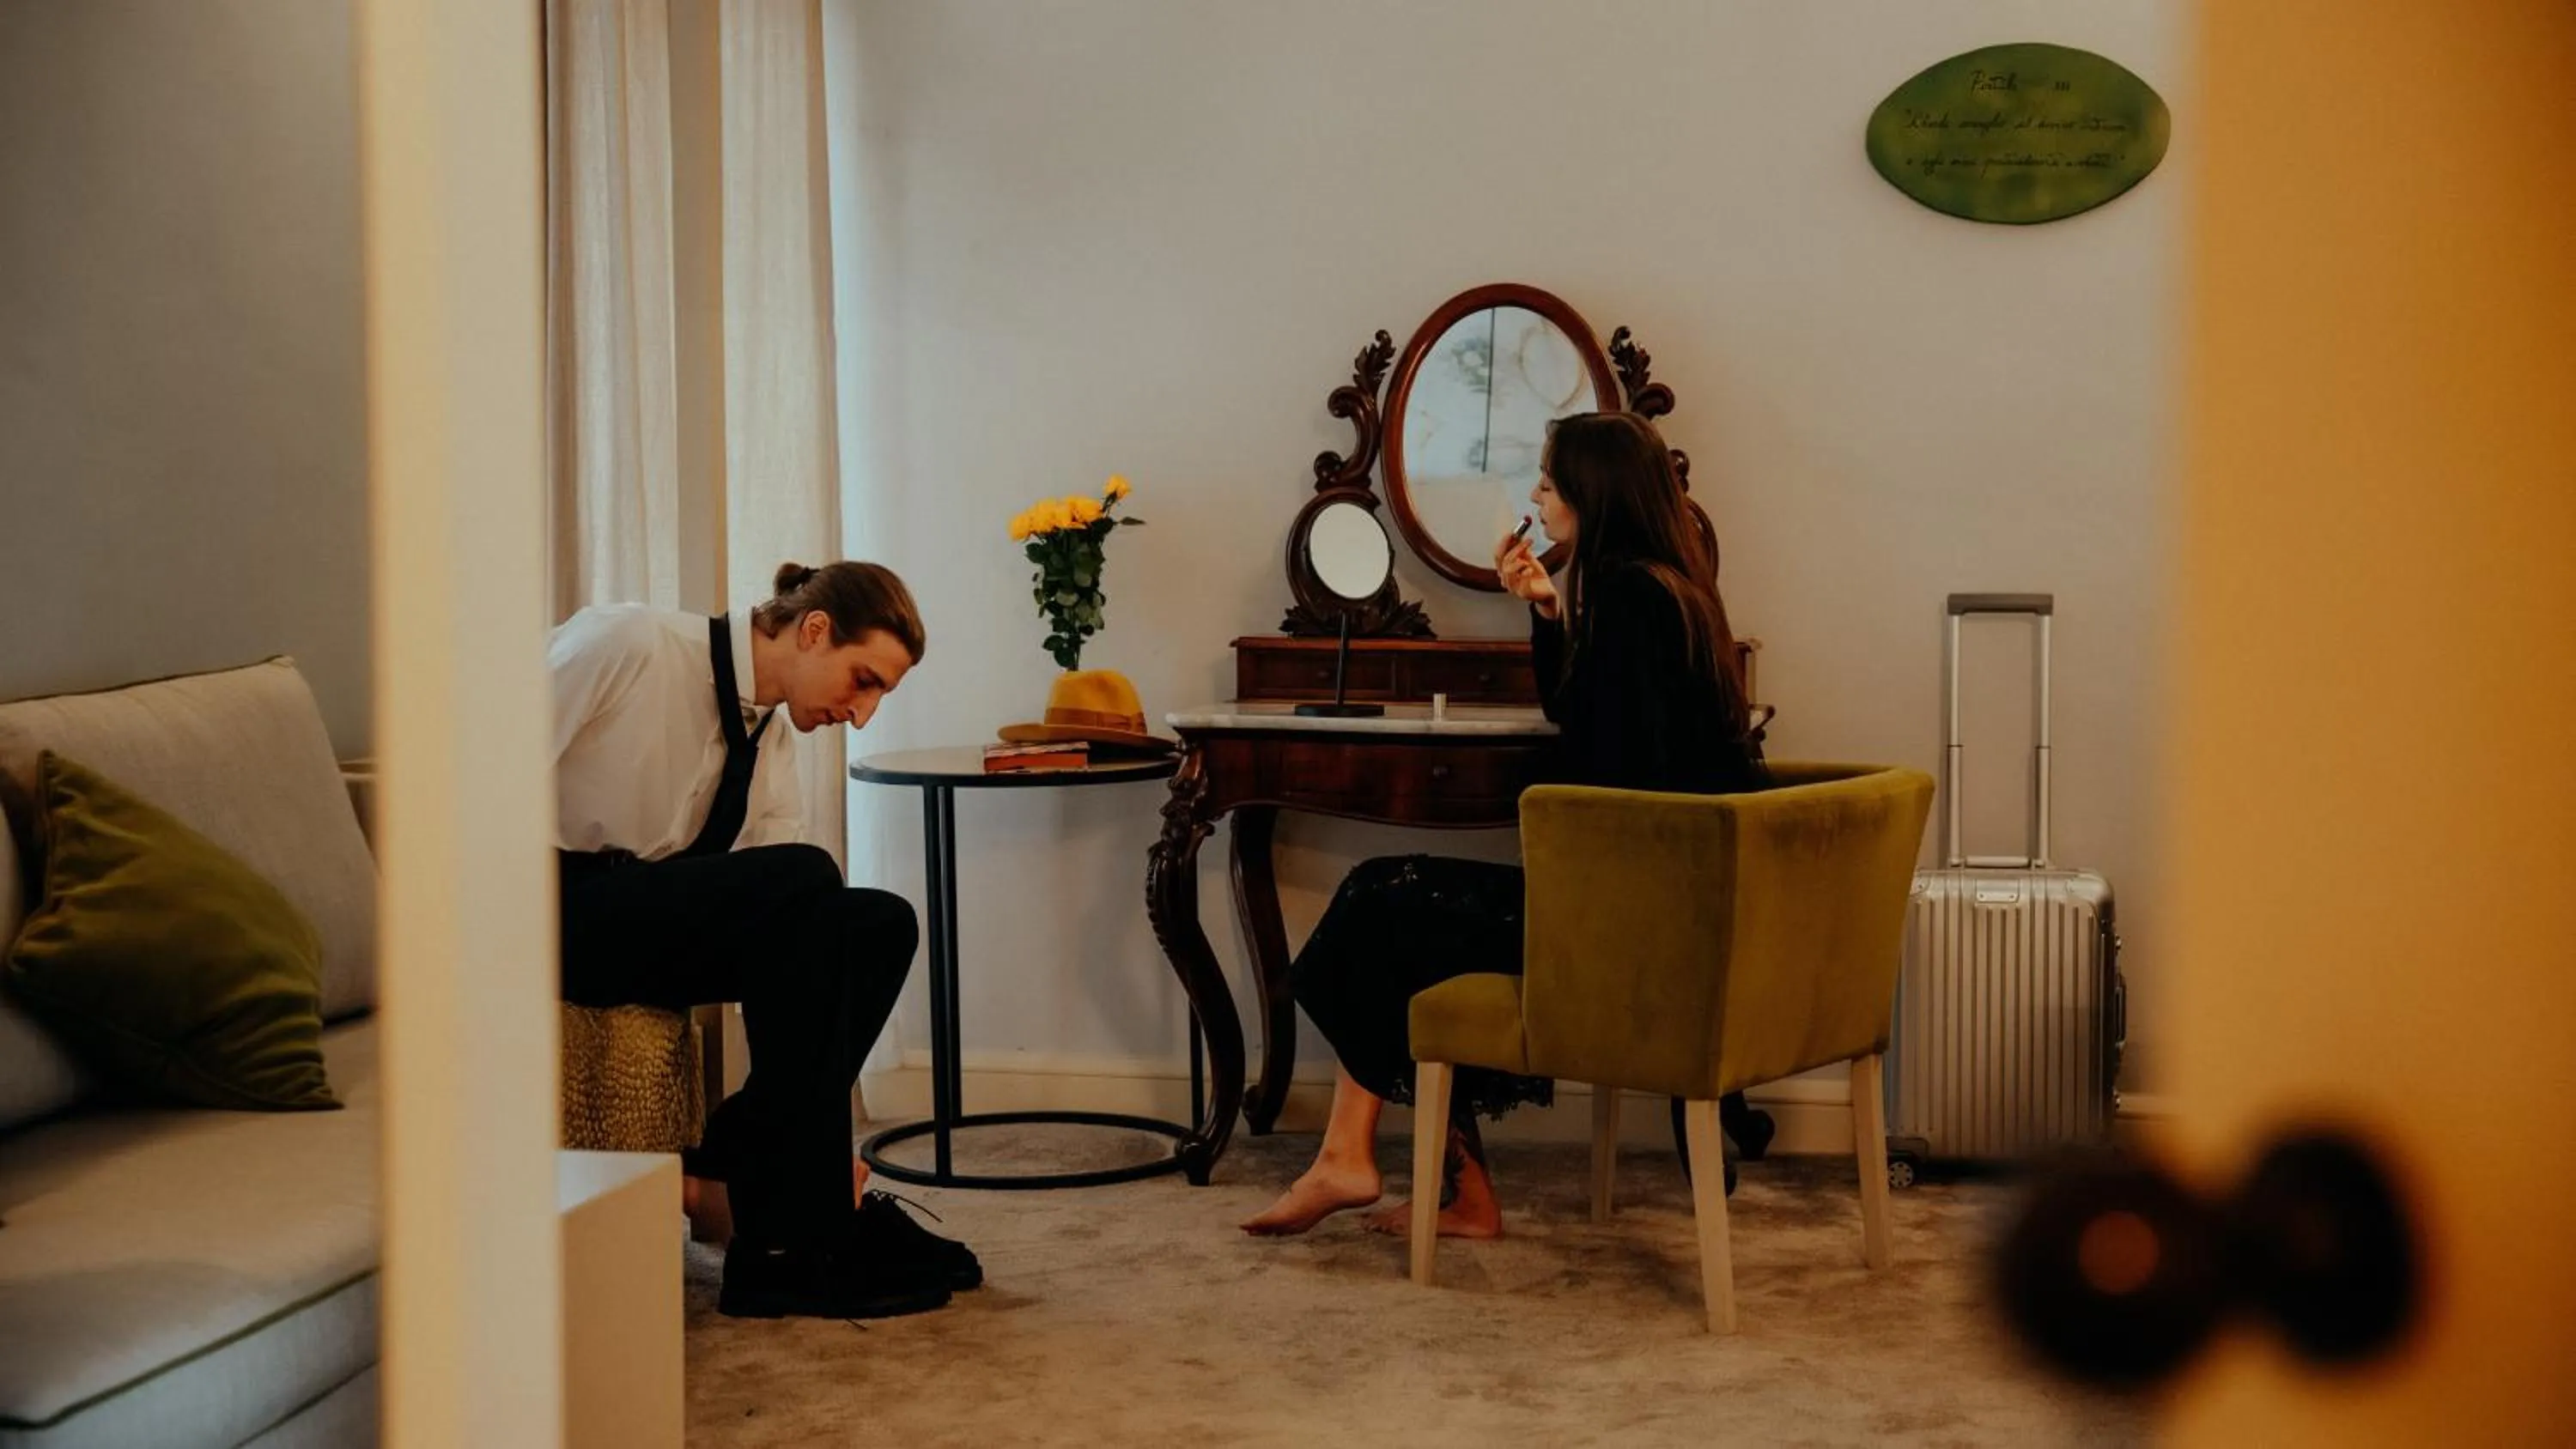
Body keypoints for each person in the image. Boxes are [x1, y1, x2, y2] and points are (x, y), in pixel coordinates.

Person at [1242, 412, 1771, 1240]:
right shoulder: (1670, 588)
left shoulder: (1634, 594)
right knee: (1391, 907)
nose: (1536, 495)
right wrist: (1549, 614)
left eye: (1551, 482)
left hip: (1631, 921)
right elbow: (1600, 719)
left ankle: (1376, 1165)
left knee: (1380, 899)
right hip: (1666, 908)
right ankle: (1424, 1181)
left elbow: (1606, 757)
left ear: (1595, 493)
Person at [552, 560, 978, 1319]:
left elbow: (795, 950)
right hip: (546, 908)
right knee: (808, 875)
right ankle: (803, 1221)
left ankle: (760, 1194)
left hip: (647, 930)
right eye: (864, 679)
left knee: (877, 924)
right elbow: (475, 764)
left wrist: (806, 1117)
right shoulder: (632, 644)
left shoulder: (768, 744)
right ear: (814, 630)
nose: (863, 712)